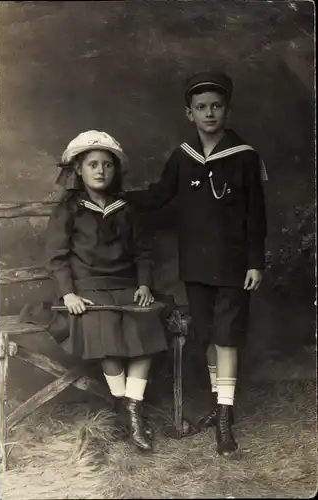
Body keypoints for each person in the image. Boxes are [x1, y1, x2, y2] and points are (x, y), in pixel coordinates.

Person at [118, 71, 268, 456]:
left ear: (227, 110)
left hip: (234, 264)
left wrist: (255, 261)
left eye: (217, 106)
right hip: (196, 264)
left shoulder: (244, 157)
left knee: (227, 336)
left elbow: (256, 214)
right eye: (201, 107)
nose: (210, 113)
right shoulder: (183, 158)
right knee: (206, 336)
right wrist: (119, 197)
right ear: (190, 113)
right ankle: (221, 408)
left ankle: (224, 417)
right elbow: (158, 196)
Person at [45, 130, 170, 452]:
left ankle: (130, 407)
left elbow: (142, 252)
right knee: (106, 333)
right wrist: (68, 293)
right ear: (79, 171)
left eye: (107, 165)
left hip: (126, 285)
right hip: (87, 288)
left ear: (115, 171)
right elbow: (57, 257)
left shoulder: (125, 208)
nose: (100, 171)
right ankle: (126, 407)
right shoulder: (69, 209)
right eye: (92, 165)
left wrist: (143, 284)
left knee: (145, 328)